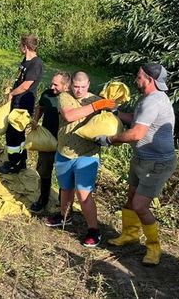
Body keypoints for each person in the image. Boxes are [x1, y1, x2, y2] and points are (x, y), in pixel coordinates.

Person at [95, 64, 176, 266]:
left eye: (139, 76)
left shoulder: (154, 102)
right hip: (141, 158)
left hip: (157, 163)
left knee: (140, 205)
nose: (135, 79)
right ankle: (130, 235)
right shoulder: (148, 98)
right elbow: (137, 121)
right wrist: (116, 112)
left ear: (150, 80)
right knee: (131, 196)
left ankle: (154, 248)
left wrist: (109, 140)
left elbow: (136, 133)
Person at [44, 71, 116, 248]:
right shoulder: (64, 97)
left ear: (89, 85)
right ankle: (64, 216)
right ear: (71, 85)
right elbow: (69, 116)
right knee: (65, 188)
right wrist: (96, 106)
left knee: (83, 194)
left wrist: (114, 109)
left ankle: (93, 230)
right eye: (76, 86)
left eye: (83, 87)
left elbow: (112, 118)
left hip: (87, 156)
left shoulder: (96, 99)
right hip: (64, 152)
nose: (79, 90)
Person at [0, 34, 44, 174]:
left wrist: (12, 93)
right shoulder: (26, 60)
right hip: (17, 100)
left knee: (14, 133)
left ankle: (14, 163)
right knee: (15, 133)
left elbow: (26, 85)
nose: (19, 48)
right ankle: (20, 161)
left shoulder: (36, 63)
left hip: (24, 102)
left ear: (26, 46)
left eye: (20, 45)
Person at [29, 71, 71, 213]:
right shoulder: (47, 94)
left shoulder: (70, 99)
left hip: (64, 143)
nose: (52, 86)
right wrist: (35, 120)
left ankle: (63, 204)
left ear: (66, 86)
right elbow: (40, 107)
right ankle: (43, 199)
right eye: (52, 83)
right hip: (47, 140)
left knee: (63, 174)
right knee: (44, 170)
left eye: (56, 84)